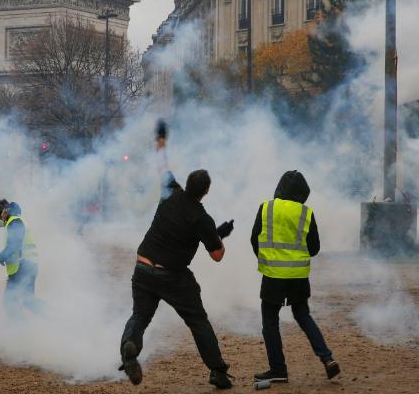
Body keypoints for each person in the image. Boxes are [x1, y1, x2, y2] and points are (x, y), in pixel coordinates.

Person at [119, 121, 235, 389]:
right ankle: (218, 371)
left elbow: (161, 164)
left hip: (143, 266)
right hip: (171, 275)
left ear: (186, 184)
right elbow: (217, 255)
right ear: (206, 191)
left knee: (140, 316)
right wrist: (220, 236)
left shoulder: (171, 192)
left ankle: (130, 346)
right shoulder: (202, 218)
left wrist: (160, 139)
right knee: (198, 321)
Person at [251, 171, 340, 384]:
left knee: (270, 320)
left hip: (272, 275)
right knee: (303, 315)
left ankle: (278, 369)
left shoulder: (267, 208)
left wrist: (267, 259)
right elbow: (315, 248)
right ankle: (327, 358)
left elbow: (254, 239)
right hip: (298, 275)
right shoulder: (306, 213)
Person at [0, 200, 39, 314]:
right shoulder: (13, 221)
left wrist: (2, 256)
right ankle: (58, 317)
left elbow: (15, 243)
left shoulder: (14, 222)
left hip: (23, 266)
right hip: (27, 266)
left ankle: (21, 328)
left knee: (10, 302)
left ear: (5, 211)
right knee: (29, 302)